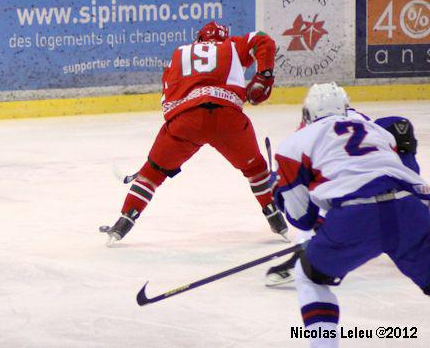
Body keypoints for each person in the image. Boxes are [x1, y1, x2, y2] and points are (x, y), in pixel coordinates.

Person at [274, 83, 429, 348]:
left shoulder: (293, 144)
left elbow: (303, 219)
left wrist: (280, 190)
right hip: (411, 211)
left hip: (356, 221)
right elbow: (402, 167)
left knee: (309, 276)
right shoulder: (375, 129)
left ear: (306, 114)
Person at [102, 21, 287, 244]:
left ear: (198, 39)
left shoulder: (179, 53)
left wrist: (170, 143)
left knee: (152, 173)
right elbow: (262, 38)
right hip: (227, 118)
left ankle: (125, 220)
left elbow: (167, 100)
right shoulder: (231, 46)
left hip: (185, 120)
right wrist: (264, 75)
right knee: (255, 168)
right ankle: (273, 214)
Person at [265, 98, 421, 286]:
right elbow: (397, 126)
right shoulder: (360, 119)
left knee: (315, 193)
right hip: (395, 190)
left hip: (355, 195)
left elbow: (301, 205)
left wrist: (278, 186)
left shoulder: (308, 129)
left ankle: (310, 251)